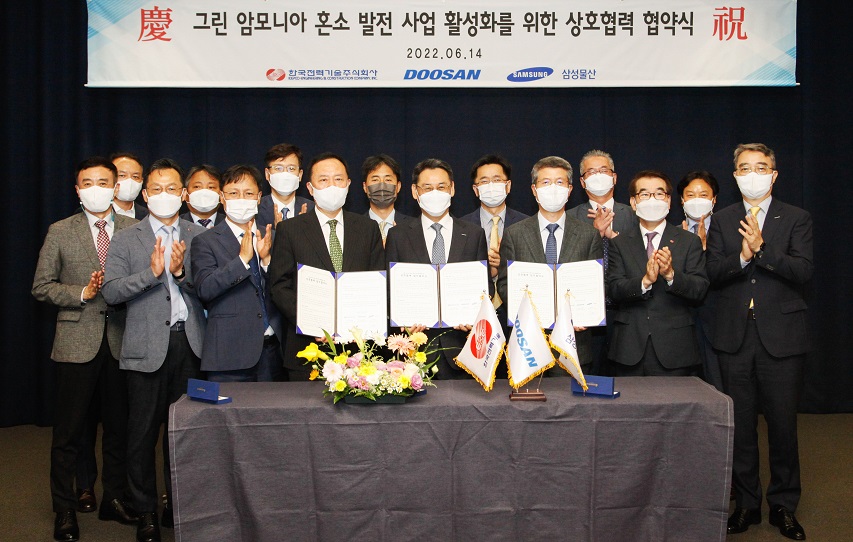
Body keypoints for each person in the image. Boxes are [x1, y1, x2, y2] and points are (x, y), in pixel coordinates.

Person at [707, 143, 812, 540]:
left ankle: (784, 505)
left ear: (774, 173)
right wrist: (742, 258)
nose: (753, 174)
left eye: (761, 167)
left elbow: (802, 271)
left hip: (782, 339)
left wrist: (763, 250)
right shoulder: (723, 219)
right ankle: (747, 504)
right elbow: (713, 271)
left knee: (783, 427)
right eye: (745, 168)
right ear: (735, 175)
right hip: (734, 337)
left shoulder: (797, 218)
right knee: (741, 426)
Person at [32, 157, 139, 542]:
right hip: (76, 343)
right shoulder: (61, 231)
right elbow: (41, 286)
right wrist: (82, 292)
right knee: (69, 434)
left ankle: (115, 498)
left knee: (119, 430)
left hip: (123, 341)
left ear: (116, 187)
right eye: (87, 182)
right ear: (78, 190)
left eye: (103, 181)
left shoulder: (135, 228)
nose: (95, 187)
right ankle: (65, 508)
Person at [102, 158, 206, 542]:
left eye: (171, 189)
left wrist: (181, 274)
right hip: (145, 348)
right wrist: (151, 273)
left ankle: (178, 507)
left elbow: (210, 290)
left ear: (183, 194)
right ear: (146, 195)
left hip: (190, 346)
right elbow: (111, 292)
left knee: (185, 433)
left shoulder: (198, 236)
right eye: (156, 189)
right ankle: (145, 510)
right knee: (142, 433)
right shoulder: (127, 238)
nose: (164, 196)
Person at [269, 152, 384, 380]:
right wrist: (312, 322)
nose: (332, 186)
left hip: (358, 349)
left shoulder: (367, 228)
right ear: (310, 188)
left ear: (349, 185)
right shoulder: (290, 230)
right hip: (306, 349)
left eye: (338, 179)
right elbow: (279, 286)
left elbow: (379, 283)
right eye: (323, 180)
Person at [496, 156, 602, 374]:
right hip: (528, 348)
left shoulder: (588, 234)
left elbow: (598, 284)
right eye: (545, 183)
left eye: (560, 182)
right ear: (534, 190)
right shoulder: (514, 234)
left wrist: (586, 314)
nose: (553, 188)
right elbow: (505, 285)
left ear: (570, 189)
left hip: (574, 346)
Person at [384, 158, 489, 379]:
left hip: (462, 351)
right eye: (427, 188)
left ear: (452, 189)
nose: (435, 193)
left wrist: (475, 316)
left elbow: (484, 289)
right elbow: (389, 290)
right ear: (414, 191)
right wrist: (402, 320)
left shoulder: (473, 233)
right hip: (415, 353)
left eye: (441, 187)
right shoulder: (398, 235)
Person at [606, 170, 708, 377]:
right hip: (629, 347)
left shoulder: (689, 241)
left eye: (659, 194)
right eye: (644, 194)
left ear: (669, 201)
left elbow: (700, 289)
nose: (652, 199)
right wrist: (644, 281)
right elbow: (613, 289)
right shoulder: (620, 242)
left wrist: (671, 275)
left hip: (675, 349)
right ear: (633, 203)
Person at [191, 165, 284, 382]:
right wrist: (242, 260)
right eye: (233, 193)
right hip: (228, 353)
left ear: (259, 197)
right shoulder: (205, 241)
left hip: (273, 352)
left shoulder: (275, 236)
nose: (241, 199)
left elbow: (287, 288)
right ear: (222, 197)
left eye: (248, 193)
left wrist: (267, 261)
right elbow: (205, 289)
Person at [568, 149, 639, 374]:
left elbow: (641, 260)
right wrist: (595, 234)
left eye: (603, 170)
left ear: (614, 177)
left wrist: (612, 236)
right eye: (591, 172)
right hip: (583, 316)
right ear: (582, 181)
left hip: (627, 311)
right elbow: (566, 263)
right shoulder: (569, 217)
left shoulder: (635, 215)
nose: (598, 175)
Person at [678, 170, 723, 391]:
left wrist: (703, 250)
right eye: (691, 195)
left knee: (717, 385)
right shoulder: (672, 233)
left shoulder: (728, 231)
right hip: (681, 321)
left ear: (714, 199)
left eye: (703, 195)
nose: (697, 200)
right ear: (682, 200)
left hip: (718, 321)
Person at [256, 143, 314, 231]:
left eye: (291, 168)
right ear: (267, 174)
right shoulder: (255, 209)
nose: (285, 174)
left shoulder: (312, 210)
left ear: (300, 174)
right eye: (278, 168)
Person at [361, 153, 416, 243]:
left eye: (388, 180)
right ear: (365, 187)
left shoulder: (414, 227)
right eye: (375, 180)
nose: (382, 185)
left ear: (398, 186)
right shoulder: (354, 227)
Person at [111, 152, 148, 219]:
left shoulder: (148, 216)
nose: (129, 181)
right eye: (122, 175)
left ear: (142, 181)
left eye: (135, 176)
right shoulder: (99, 213)